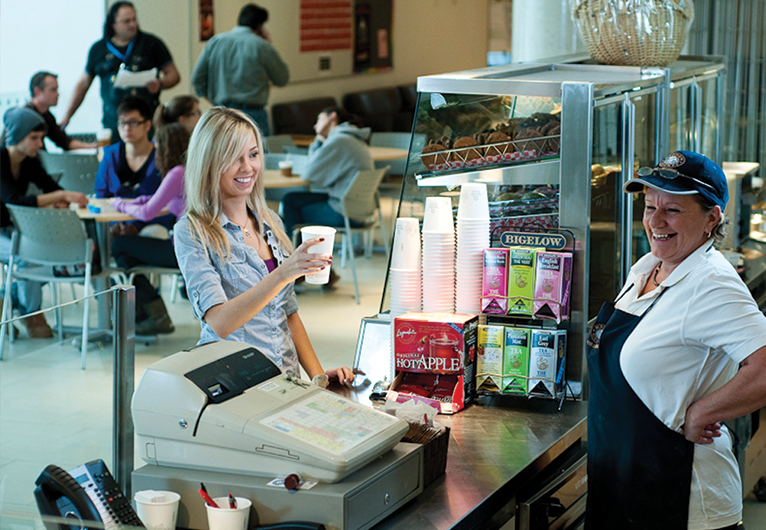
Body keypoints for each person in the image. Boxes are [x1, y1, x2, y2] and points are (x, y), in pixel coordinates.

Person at [586, 150, 766, 530]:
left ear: (711, 219)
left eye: (672, 210)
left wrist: (703, 413)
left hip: (681, 500)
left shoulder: (712, 283)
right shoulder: (648, 266)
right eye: (650, 207)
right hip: (622, 487)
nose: (655, 221)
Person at [173, 106, 354, 384]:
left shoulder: (270, 221)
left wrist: (319, 378)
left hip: (285, 379)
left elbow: (288, 314)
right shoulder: (193, 231)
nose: (247, 167)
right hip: (235, 381)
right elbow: (219, 323)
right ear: (209, 162)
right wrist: (283, 274)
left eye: (253, 154)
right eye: (234, 157)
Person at [0, 108, 89, 338]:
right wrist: (60, 196)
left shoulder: (30, 161)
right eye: (34, 138)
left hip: (15, 230)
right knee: (27, 257)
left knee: (45, 254)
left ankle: (7, 298)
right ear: (17, 136)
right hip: (5, 232)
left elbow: (51, 187)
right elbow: (14, 200)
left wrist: (60, 197)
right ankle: (31, 313)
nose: (40, 144)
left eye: (41, 138)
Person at [60, 1, 180, 140]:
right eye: (126, 21)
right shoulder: (99, 49)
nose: (132, 24)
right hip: (114, 122)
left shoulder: (152, 44)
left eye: (134, 19)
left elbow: (174, 75)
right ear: (113, 24)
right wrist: (67, 117)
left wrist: (160, 84)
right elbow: (83, 84)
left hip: (146, 122)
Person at [111, 123, 189, 336]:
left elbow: (147, 213)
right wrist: (140, 200)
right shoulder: (190, 170)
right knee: (126, 257)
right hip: (193, 248)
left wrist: (119, 204)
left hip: (183, 251)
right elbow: (165, 201)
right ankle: (148, 315)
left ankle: (154, 314)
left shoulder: (177, 173)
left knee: (119, 246)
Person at [191, 3, 289, 136]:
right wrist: (268, 44)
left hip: (222, 112)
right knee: (256, 149)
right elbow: (282, 79)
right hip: (253, 114)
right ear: (259, 26)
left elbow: (197, 78)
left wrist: (213, 99)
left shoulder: (215, 42)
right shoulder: (261, 46)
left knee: (224, 149)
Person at [281, 107, 373, 235]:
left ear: (332, 116)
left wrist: (317, 141)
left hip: (344, 213)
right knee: (291, 199)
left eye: (319, 119)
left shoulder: (339, 140)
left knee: (290, 207)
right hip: (360, 210)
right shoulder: (352, 137)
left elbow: (308, 173)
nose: (315, 125)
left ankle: (295, 246)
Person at [95, 96, 171, 236]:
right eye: (122, 123)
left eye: (133, 123)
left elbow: (169, 203)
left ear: (147, 125)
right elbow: (101, 197)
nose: (127, 128)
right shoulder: (110, 155)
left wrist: (136, 225)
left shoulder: (161, 156)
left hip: (151, 223)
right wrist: (113, 223)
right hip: (116, 223)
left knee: (155, 233)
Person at [0, 72, 96, 150]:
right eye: (53, 90)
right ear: (37, 91)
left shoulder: (47, 116)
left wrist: (94, 146)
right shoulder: (24, 117)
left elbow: (64, 141)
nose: (58, 94)